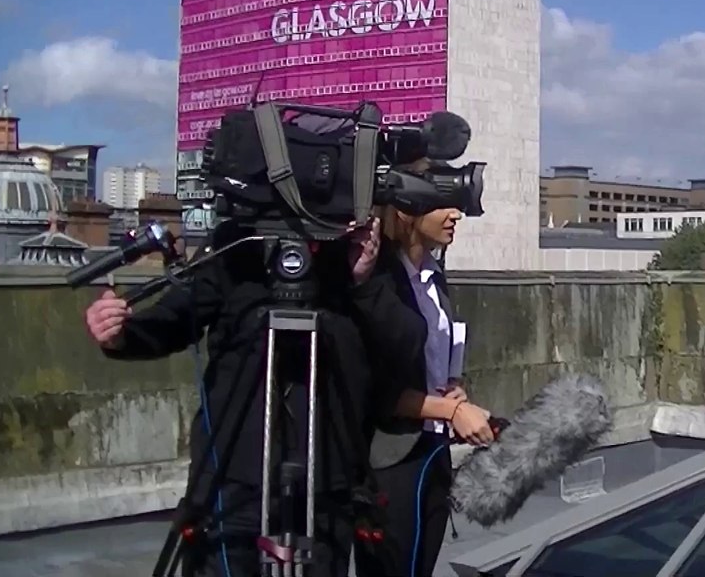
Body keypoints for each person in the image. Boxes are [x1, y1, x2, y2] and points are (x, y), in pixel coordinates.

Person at [84, 216, 402, 577]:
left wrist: (362, 282)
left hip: (328, 478)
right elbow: (177, 315)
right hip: (233, 477)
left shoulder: (364, 252)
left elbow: (405, 345)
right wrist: (122, 334)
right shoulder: (236, 244)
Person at [358, 194, 496, 577]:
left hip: (434, 450)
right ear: (406, 210)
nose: (456, 214)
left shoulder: (435, 276)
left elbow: (435, 362)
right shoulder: (377, 280)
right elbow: (378, 393)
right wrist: (452, 411)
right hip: (391, 459)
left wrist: (453, 390)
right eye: (444, 204)